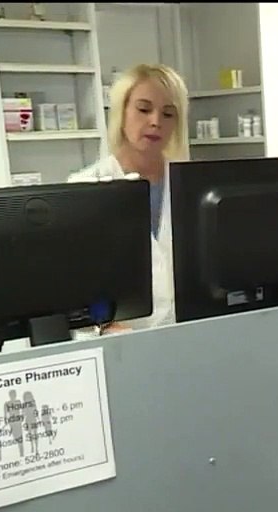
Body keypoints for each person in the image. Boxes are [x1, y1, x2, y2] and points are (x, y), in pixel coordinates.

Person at [69, 64, 190, 331]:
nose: (156, 121)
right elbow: (74, 286)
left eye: (168, 113)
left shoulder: (190, 185)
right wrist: (105, 325)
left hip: (190, 335)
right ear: (121, 112)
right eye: (144, 109)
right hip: (122, 341)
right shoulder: (86, 187)